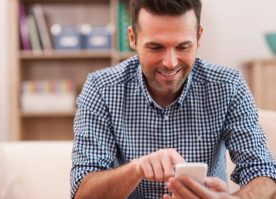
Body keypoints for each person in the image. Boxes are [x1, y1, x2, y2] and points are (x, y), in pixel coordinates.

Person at [70, 0, 276, 198]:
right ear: (133, 38)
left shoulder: (229, 86)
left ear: (199, 37)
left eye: (183, 47)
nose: (170, 63)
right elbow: (82, 192)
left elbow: (263, 172)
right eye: (156, 47)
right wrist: (136, 169)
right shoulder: (100, 89)